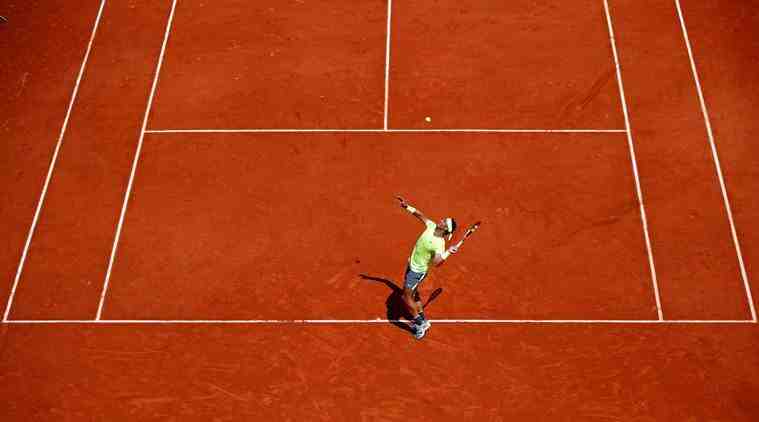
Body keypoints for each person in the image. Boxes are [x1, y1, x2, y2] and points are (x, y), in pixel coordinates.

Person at [396, 196, 459, 340]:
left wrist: (448, 252)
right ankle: (423, 319)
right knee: (414, 294)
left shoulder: (439, 244)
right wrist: (407, 206)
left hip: (417, 271)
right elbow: (420, 215)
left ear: (445, 229)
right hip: (411, 264)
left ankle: (420, 323)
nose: (441, 220)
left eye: (444, 221)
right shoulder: (431, 225)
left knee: (405, 296)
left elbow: (437, 262)